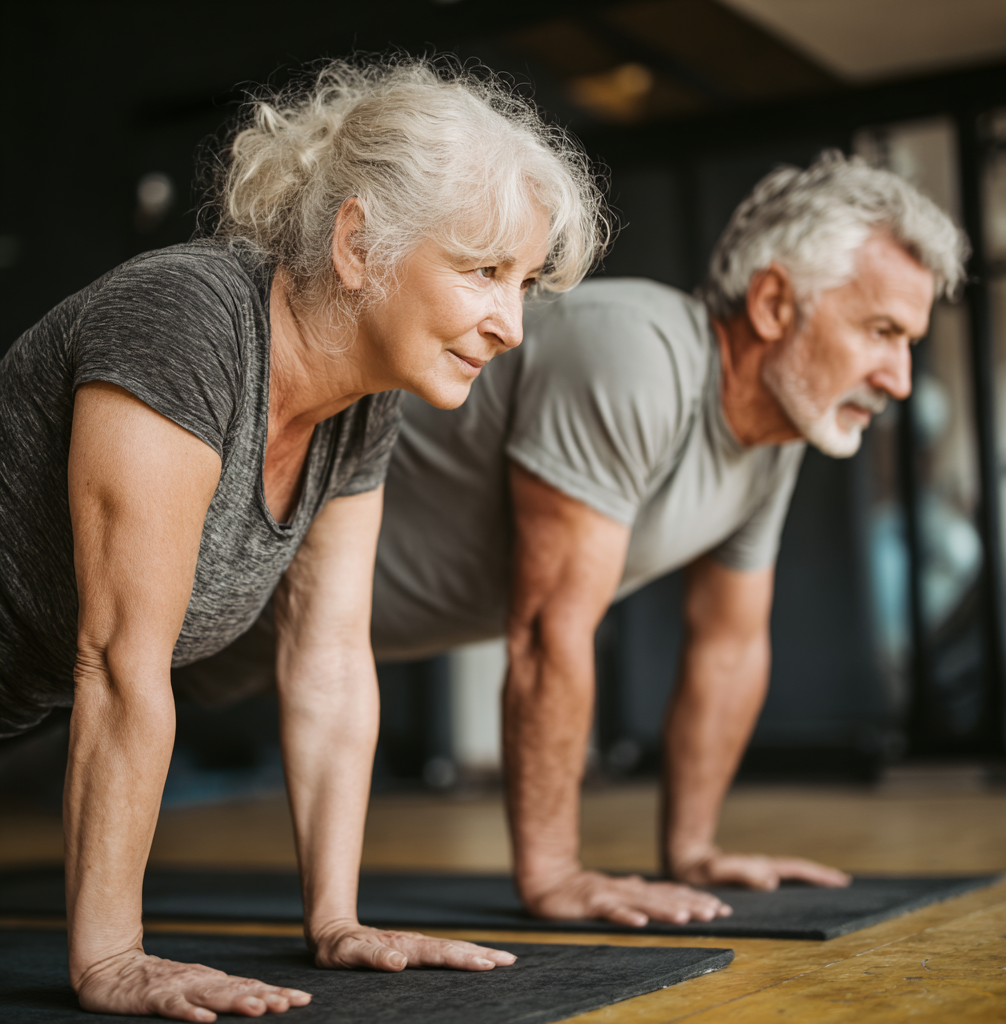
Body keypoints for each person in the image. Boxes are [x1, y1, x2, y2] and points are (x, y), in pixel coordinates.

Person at [0, 58, 608, 1020]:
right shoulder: (185, 322)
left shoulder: (361, 405)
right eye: (484, 272)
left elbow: (329, 659)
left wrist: (337, 921)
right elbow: (117, 663)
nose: (512, 326)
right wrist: (110, 957)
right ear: (358, 245)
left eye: (525, 282)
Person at [370, 151, 968, 927]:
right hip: (239, 608)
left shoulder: (773, 441)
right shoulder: (636, 353)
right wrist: (554, 875)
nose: (900, 378)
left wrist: (692, 850)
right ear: (773, 304)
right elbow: (549, 631)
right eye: (881, 332)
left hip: (309, 642)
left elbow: (729, 645)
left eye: (908, 342)